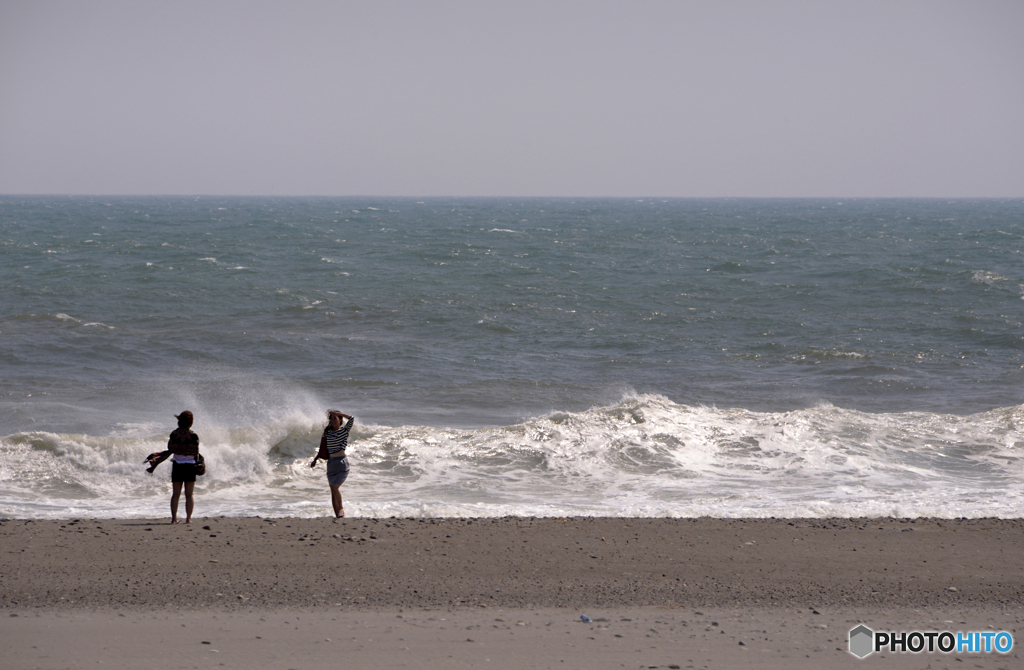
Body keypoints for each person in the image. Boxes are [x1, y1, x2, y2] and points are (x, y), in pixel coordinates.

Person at [310, 410, 354, 518]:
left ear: (340, 420)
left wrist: (339, 413)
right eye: (332, 418)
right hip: (331, 464)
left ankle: (341, 508)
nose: (333, 420)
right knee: (333, 492)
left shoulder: (344, 430)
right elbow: (322, 447)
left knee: (335, 487)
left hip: (341, 463)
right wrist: (315, 459)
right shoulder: (327, 432)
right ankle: (338, 516)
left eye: (335, 418)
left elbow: (352, 418)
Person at [167, 411, 201, 524]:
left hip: (177, 464)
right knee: (189, 495)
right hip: (190, 465)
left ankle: (174, 519)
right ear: (191, 422)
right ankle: (188, 518)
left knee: (175, 494)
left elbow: (170, 448)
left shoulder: (173, 434)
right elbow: (196, 451)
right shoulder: (193, 436)